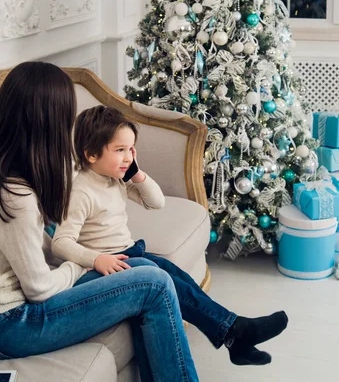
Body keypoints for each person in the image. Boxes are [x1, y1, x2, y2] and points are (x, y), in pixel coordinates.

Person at [0, 62, 201, 382]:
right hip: (7, 326)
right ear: (49, 121)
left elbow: (25, 239)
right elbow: (39, 288)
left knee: (141, 268)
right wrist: (83, 264)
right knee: (153, 283)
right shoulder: (12, 192)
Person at [52, 105, 289, 368]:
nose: (128, 157)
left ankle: (233, 334)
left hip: (128, 254)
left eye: (131, 149)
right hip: (102, 268)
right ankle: (235, 332)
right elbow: (60, 243)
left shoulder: (115, 179)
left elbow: (156, 202)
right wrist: (96, 259)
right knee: (167, 278)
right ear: (91, 154)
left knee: (177, 277)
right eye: (119, 150)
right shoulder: (82, 192)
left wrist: (138, 175)